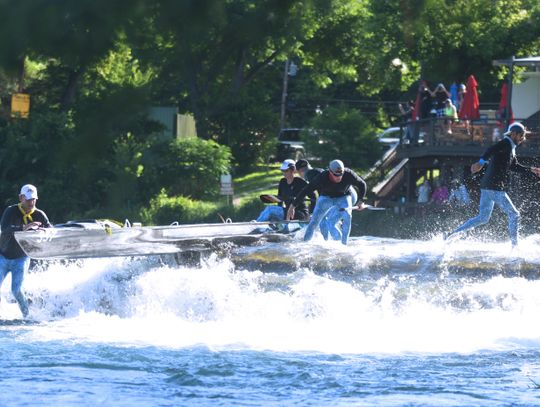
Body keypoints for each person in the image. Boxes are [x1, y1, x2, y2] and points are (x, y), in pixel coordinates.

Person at [444, 122, 540, 246]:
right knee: (514, 214)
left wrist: (531, 169)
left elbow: (514, 166)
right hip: (495, 188)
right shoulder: (505, 143)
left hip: (487, 187)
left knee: (483, 218)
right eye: (521, 135)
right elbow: (490, 150)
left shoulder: (510, 147)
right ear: (514, 134)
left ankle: (451, 235)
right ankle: (515, 247)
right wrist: (481, 162)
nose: (522, 139)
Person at [286, 159, 367, 245]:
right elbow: (306, 190)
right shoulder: (322, 177)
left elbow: (362, 184)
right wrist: (292, 206)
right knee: (314, 221)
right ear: (330, 172)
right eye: (336, 175)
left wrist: (361, 201)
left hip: (343, 196)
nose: (339, 177)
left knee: (347, 216)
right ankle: (306, 244)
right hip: (326, 197)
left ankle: (344, 245)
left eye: (341, 174)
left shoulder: (348, 174)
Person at [0, 184, 51, 318]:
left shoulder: (39, 214)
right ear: (21, 198)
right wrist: (25, 227)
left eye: (33, 199)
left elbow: (51, 229)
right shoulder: (10, 211)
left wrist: (45, 231)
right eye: (28, 199)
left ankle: (27, 316)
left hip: (21, 258)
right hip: (3, 256)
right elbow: (5, 229)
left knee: (16, 290)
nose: (31, 202)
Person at [256, 159, 316, 223]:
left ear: (292, 170)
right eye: (282, 171)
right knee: (272, 214)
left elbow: (313, 198)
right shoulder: (282, 182)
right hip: (287, 213)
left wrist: (311, 213)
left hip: (300, 213)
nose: (284, 173)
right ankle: (259, 225)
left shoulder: (301, 182)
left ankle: (257, 223)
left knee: (270, 209)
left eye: (286, 171)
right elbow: (280, 200)